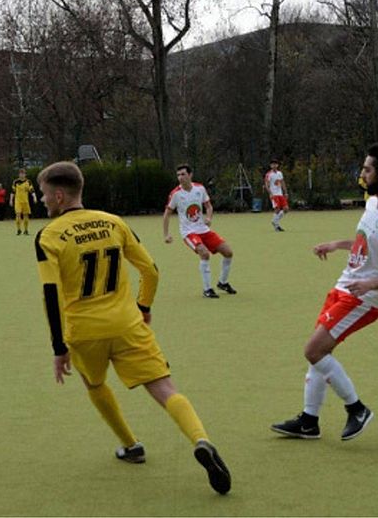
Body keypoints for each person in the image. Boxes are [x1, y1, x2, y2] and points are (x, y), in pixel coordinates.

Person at [33, 161, 232, 495]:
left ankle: (130, 445)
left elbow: (50, 294)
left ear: (59, 195)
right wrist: (144, 307)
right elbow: (151, 270)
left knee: (94, 384)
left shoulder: (48, 236)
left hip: (84, 331)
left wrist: (58, 348)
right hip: (128, 324)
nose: (41, 200)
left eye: (43, 195)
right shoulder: (114, 223)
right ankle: (201, 439)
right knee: (164, 388)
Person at [270, 142, 378, 441]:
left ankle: (356, 408)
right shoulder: (373, 203)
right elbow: (365, 242)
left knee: (313, 349)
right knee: (319, 353)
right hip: (344, 286)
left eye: (367, 169)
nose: (362, 175)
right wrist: (336, 245)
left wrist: (368, 284)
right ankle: (309, 421)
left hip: (364, 299)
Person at [162, 164, 237, 299]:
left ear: (190, 175)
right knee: (204, 253)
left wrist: (208, 217)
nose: (180, 177)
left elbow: (208, 206)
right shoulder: (176, 194)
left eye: (183, 174)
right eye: (178, 175)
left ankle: (223, 282)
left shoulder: (200, 188)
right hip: (189, 233)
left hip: (203, 229)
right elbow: (167, 214)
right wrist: (166, 234)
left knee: (228, 252)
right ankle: (207, 289)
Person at [264, 159, 289, 231]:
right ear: (270, 166)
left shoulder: (279, 173)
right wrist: (270, 193)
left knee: (286, 209)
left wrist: (285, 192)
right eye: (272, 164)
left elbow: (282, 183)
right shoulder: (269, 174)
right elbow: (267, 185)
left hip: (280, 194)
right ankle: (276, 226)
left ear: (277, 165)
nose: (274, 165)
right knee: (277, 209)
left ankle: (274, 221)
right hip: (274, 194)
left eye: (275, 164)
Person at [10, 169, 34, 235]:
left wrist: (34, 197)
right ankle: (18, 229)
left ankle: (26, 230)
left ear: (25, 174)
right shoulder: (15, 182)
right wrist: (11, 200)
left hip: (25, 202)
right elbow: (13, 191)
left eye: (23, 173)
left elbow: (32, 190)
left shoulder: (28, 181)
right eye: (21, 173)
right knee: (18, 214)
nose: (22, 175)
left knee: (26, 215)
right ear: (19, 174)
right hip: (18, 201)